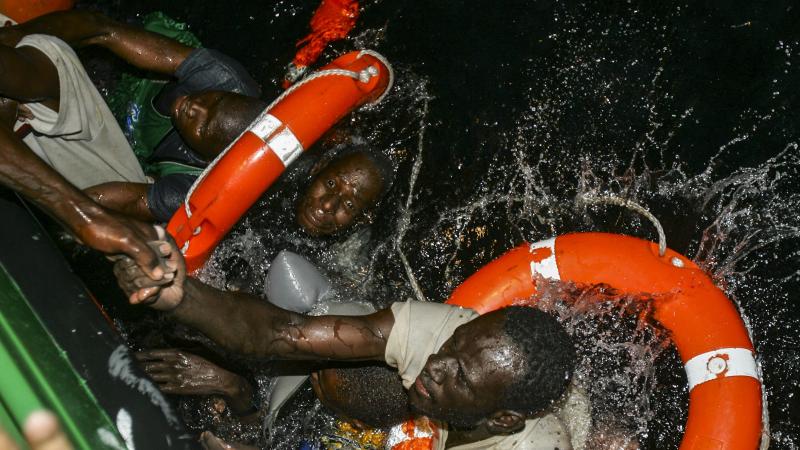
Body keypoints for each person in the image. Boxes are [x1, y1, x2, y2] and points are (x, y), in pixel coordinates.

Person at [114, 238, 577, 449]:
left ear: (502, 418)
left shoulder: (534, 445)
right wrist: (180, 295)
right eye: (452, 345)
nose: (435, 363)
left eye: (458, 375)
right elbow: (285, 334)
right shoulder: (440, 336)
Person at [0, 9, 265, 224]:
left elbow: (128, 201)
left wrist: (64, 208)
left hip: (128, 138)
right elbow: (101, 29)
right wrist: (20, 34)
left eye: (204, 126)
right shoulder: (220, 76)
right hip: (138, 74)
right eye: (214, 100)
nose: (196, 107)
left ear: (213, 158)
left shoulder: (199, 189)